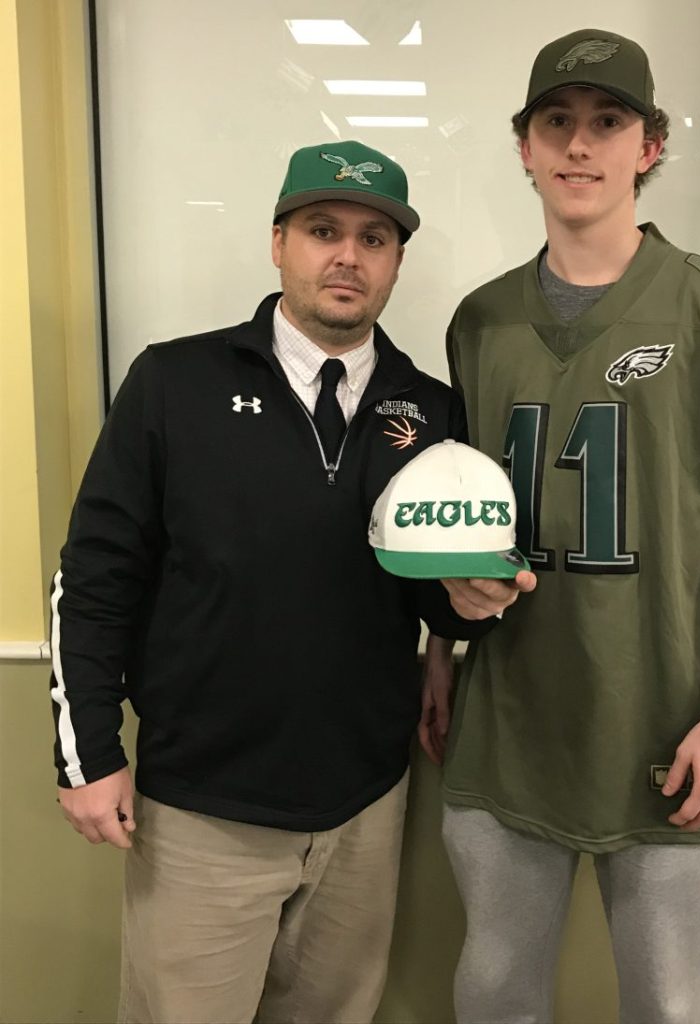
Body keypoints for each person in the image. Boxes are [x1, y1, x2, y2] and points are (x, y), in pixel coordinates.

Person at [423, 28, 700, 1024]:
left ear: (648, 145)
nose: (578, 143)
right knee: (494, 990)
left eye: (608, 121)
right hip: (509, 717)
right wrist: (440, 638)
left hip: (663, 722)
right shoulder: (479, 321)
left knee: (667, 1005)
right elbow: (459, 516)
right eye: (555, 121)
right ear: (522, 145)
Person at [50, 140, 494, 1024]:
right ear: (279, 242)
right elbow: (96, 573)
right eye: (324, 230)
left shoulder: (431, 408)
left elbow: (425, 593)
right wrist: (87, 753)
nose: (347, 256)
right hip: (203, 812)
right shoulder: (175, 381)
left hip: (364, 805)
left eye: (375, 239)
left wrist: (467, 608)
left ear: (397, 261)